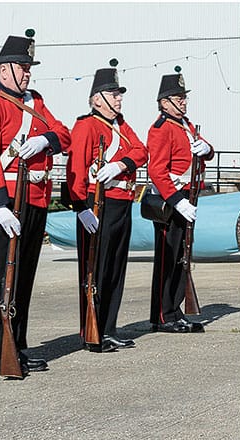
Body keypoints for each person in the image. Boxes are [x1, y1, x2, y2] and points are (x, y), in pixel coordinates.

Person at [0, 30, 71, 376]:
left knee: (23, 276)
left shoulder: (36, 102)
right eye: (22, 66)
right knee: (2, 277)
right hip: (7, 200)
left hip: (36, 199)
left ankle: (19, 344)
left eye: (29, 67)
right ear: (3, 70)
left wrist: (45, 138)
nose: (27, 72)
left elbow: (64, 133)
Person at [66, 59, 148, 352]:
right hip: (97, 204)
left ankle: (109, 327)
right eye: (114, 94)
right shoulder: (86, 126)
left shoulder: (121, 125)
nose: (119, 99)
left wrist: (119, 165)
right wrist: (80, 207)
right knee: (95, 270)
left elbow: (141, 151)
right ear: (97, 99)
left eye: (119, 94)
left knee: (115, 268)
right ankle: (93, 331)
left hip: (122, 202)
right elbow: (75, 169)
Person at [146, 67, 212, 333]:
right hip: (170, 200)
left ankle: (175, 310)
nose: (183, 102)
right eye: (178, 98)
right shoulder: (161, 128)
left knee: (181, 257)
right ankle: (163, 315)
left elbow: (203, 147)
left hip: (187, 196)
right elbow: (157, 170)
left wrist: (207, 150)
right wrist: (177, 201)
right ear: (164, 102)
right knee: (167, 257)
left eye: (184, 97)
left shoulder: (184, 124)